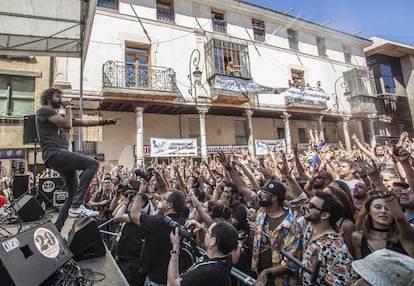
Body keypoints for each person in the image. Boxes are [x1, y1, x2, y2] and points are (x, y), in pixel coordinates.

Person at [36, 88, 119, 231]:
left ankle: (58, 228)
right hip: (55, 153)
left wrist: (104, 122)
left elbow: (82, 122)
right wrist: (68, 106)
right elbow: (68, 124)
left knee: (73, 192)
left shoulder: (58, 118)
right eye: (57, 96)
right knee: (93, 164)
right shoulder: (44, 111)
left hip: (61, 155)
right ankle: (76, 206)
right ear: (48, 98)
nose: (60, 99)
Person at [130, 189, 186, 286]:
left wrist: (140, 192)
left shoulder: (160, 223)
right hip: (168, 276)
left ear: (170, 205)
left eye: (163, 199)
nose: (160, 200)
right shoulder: (180, 219)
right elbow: (163, 188)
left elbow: (134, 215)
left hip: (156, 279)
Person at [302, 191, 354, 286]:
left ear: (324, 215)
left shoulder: (335, 248)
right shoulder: (311, 228)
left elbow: (340, 282)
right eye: (308, 203)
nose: (306, 207)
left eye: (311, 206)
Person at [167, 221, 238, 286]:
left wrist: (175, 248)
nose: (206, 234)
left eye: (208, 232)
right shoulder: (225, 259)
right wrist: (202, 231)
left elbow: (173, 283)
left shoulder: (206, 272)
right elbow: (208, 247)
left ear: (213, 241)